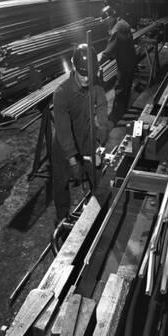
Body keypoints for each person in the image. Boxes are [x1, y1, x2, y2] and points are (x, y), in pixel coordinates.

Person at [52, 43, 109, 221]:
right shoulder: (62, 93)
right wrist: (72, 158)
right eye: (83, 73)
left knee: (97, 176)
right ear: (74, 67)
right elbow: (63, 129)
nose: (86, 79)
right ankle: (62, 219)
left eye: (90, 74)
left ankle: (99, 214)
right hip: (64, 144)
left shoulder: (96, 87)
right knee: (61, 184)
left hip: (86, 138)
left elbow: (102, 114)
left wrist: (99, 143)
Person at [99, 5, 137, 121]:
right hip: (130, 60)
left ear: (110, 18)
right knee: (127, 86)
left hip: (124, 64)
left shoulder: (116, 29)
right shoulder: (122, 22)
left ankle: (116, 116)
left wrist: (95, 63)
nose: (105, 24)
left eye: (105, 21)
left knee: (120, 88)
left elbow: (108, 52)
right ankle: (123, 110)